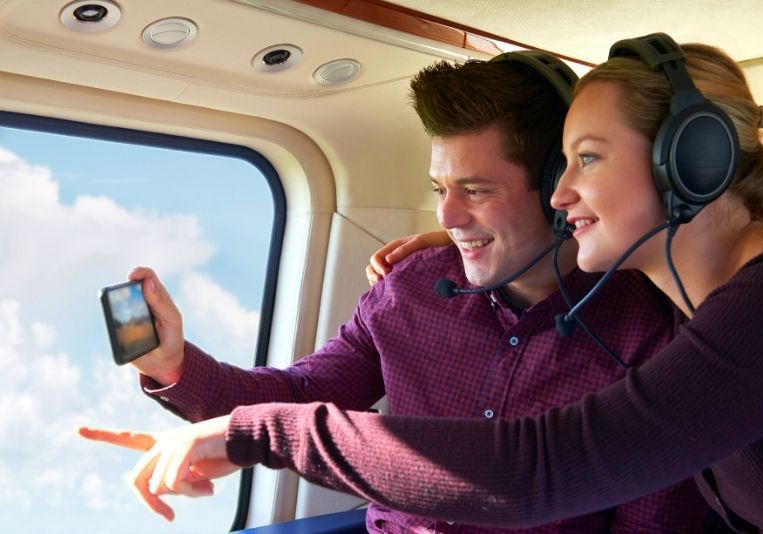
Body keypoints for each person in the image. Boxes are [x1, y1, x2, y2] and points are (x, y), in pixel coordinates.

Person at [78, 50, 710, 531]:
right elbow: (301, 394)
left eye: (477, 190)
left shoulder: (654, 331)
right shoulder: (410, 287)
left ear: (556, 186)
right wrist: (174, 367)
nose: (448, 217)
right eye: (441, 189)